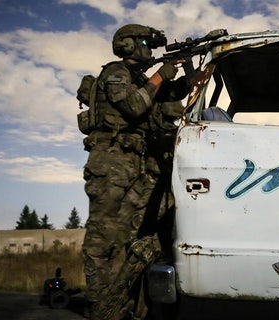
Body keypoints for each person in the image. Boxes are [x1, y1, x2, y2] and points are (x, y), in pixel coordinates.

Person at [80, 24, 186, 320]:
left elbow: (171, 96)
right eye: (144, 43)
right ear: (127, 45)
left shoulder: (141, 79)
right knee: (103, 239)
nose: (149, 50)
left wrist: (186, 69)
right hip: (109, 162)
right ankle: (102, 307)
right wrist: (159, 75)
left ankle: (122, 305)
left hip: (131, 162)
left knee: (130, 236)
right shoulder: (116, 71)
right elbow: (132, 106)